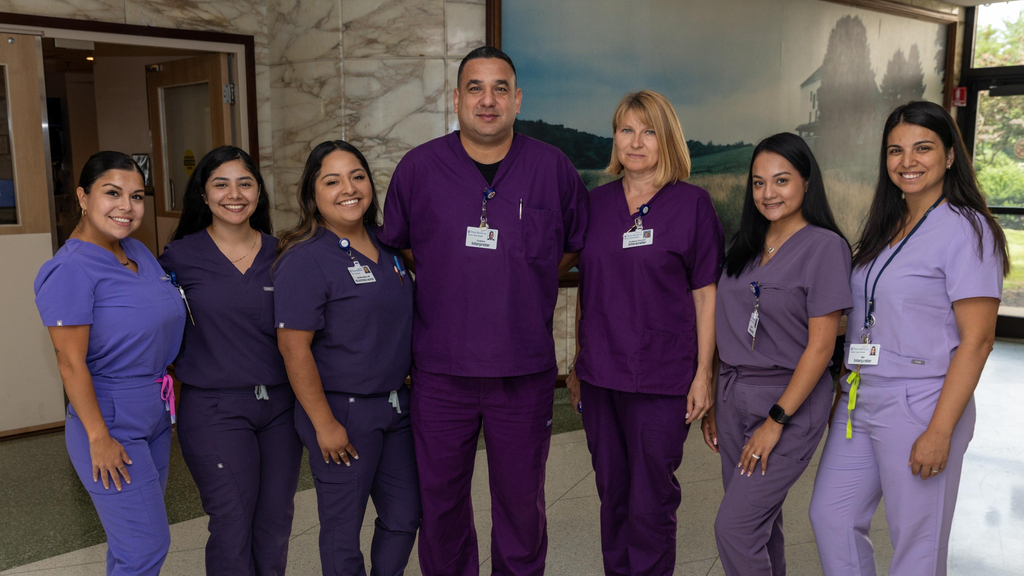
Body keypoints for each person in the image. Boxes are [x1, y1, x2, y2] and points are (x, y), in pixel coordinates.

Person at [377, 45, 589, 575]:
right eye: (475, 88)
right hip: (441, 372)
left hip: (523, 370)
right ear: (456, 99)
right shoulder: (419, 169)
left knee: (521, 505)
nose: (487, 100)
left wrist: (523, 272)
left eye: (500, 89)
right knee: (441, 504)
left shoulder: (552, 168)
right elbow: (402, 248)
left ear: (518, 100)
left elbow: (571, 246)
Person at [809, 101, 1008, 576]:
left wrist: (939, 431)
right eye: (895, 150)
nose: (907, 161)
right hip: (859, 398)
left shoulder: (968, 229)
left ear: (950, 156)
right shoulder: (885, 226)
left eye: (923, 148)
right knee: (830, 517)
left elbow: (977, 341)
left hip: (922, 402)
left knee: (916, 544)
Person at [566, 90, 723, 575]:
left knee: (650, 499)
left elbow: (706, 296)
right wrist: (577, 362)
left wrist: (704, 375)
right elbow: (586, 289)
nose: (636, 142)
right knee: (612, 493)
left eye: (649, 130)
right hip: (600, 375)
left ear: (668, 138)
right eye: (626, 129)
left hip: (662, 377)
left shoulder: (693, 205)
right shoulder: (595, 204)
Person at [700, 133, 852, 575]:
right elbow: (721, 322)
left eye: (782, 180)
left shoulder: (825, 247)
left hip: (789, 400)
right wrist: (713, 397)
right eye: (759, 182)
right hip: (732, 394)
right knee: (760, 525)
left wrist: (775, 421)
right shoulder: (744, 246)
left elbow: (822, 347)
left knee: (734, 528)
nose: (769, 193)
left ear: (806, 182)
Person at [34, 152, 185, 575]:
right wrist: (98, 438)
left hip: (154, 411)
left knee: (128, 546)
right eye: (112, 193)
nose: (127, 206)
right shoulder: (68, 269)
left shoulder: (137, 251)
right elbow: (69, 362)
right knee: (146, 547)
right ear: (83, 197)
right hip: (108, 418)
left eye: (137, 196)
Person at [275, 140, 419, 576]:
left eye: (357, 176)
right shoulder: (304, 259)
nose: (348, 188)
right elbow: (293, 347)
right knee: (343, 529)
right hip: (341, 412)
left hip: (396, 408)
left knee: (405, 514)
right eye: (331, 180)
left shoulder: (388, 245)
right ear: (312, 194)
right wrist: (324, 424)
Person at [158, 146, 302, 575]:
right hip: (215, 408)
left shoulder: (287, 254)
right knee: (232, 521)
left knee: (275, 523)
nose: (234, 194)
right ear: (203, 195)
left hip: (281, 409)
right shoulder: (178, 258)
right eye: (220, 183)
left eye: (245, 183)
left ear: (259, 192)